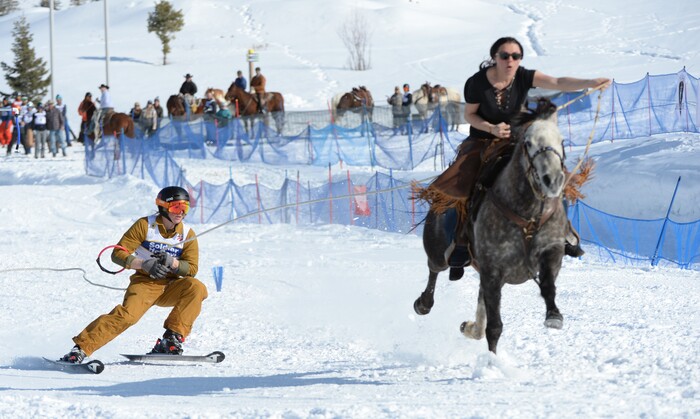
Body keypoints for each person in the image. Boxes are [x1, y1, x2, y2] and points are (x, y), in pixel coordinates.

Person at [418, 37, 611, 274]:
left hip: (516, 140)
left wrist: (590, 82)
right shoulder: (477, 83)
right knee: (460, 187)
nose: (510, 61)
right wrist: (491, 128)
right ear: (495, 58)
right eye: (505, 56)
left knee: (555, 176)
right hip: (482, 140)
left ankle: (562, 230)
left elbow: (557, 81)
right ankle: (459, 242)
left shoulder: (524, 76)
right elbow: (469, 115)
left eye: (516, 56)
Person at [61, 186, 208, 364]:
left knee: (196, 287)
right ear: (163, 207)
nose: (181, 212)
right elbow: (118, 254)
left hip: (171, 285)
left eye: (185, 207)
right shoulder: (145, 225)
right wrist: (144, 264)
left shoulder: (187, 233)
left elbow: (192, 268)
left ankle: (171, 339)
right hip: (145, 283)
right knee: (128, 316)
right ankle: (80, 349)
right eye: (176, 207)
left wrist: (173, 263)